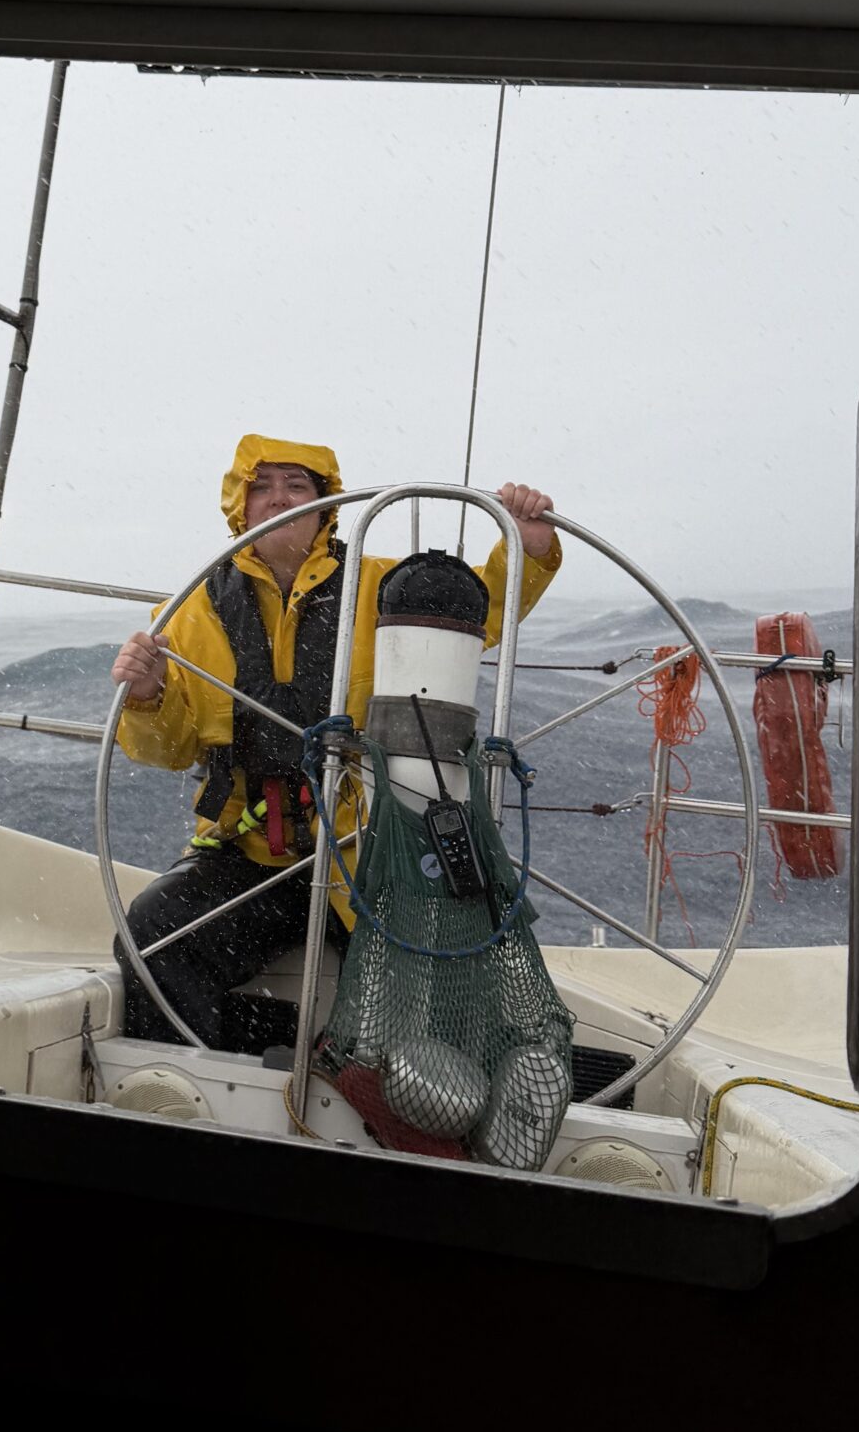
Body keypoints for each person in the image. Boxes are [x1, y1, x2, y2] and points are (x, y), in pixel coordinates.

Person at [110, 433, 560, 1048]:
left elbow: (474, 617)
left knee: (417, 994)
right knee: (153, 934)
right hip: (249, 856)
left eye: (297, 486)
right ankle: (197, 1073)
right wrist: (147, 695)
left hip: (373, 851)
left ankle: (348, 1061)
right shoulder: (188, 614)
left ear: (325, 507)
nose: (278, 499)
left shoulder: (386, 587)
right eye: (261, 488)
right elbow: (170, 751)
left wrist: (527, 548)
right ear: (239, 507)